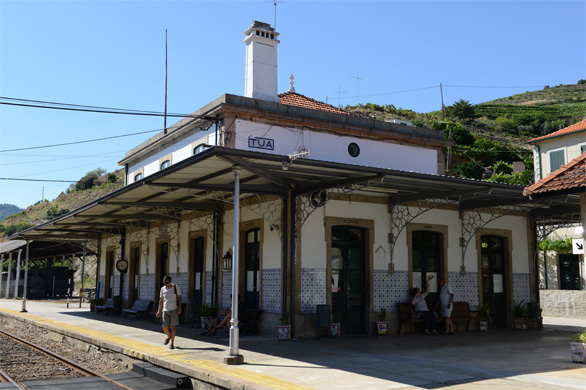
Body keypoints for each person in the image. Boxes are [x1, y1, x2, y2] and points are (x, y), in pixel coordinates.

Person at [156, 275, 182, 349]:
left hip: (173, 309)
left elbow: (180, 298)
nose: (166, 284)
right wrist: (159, 311)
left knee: (172, 327)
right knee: (164, 326)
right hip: (165, 309)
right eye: (164, 283)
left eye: (167, 283)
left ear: (170, 282)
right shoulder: (163, 289)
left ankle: (172, 344)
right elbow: (161, 300)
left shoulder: (175, 287)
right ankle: (168, 336)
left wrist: (179, 307)